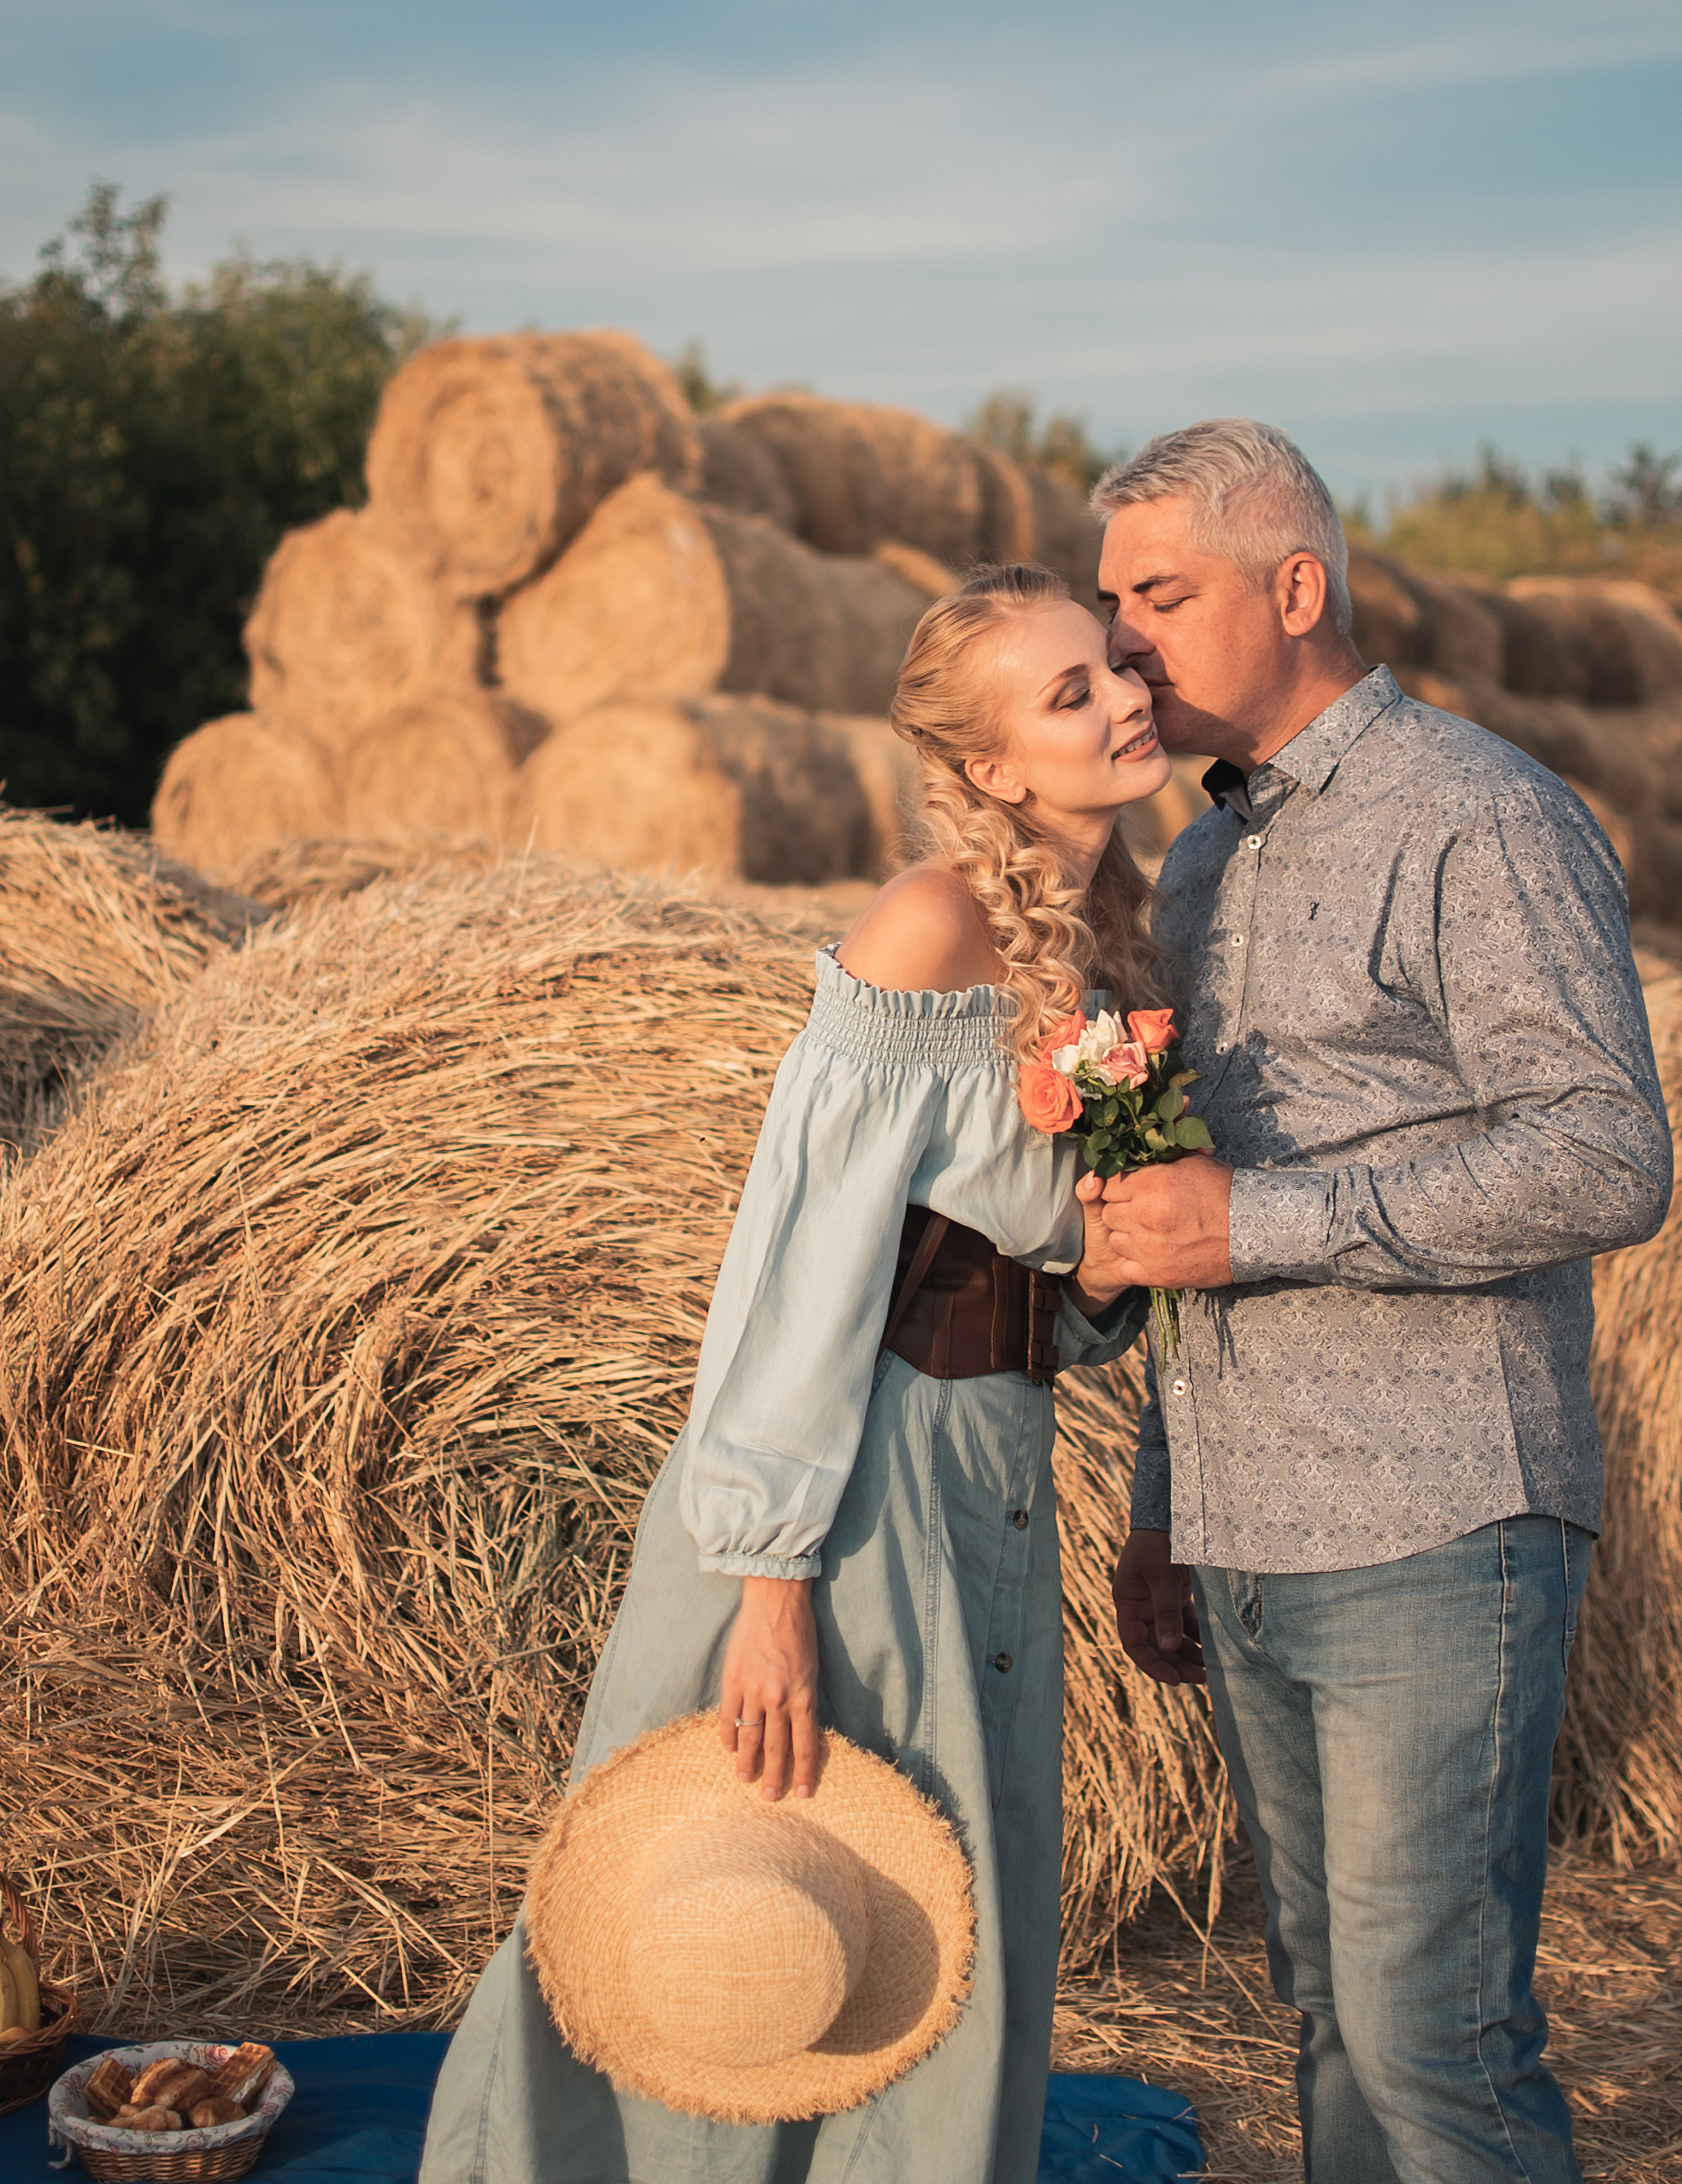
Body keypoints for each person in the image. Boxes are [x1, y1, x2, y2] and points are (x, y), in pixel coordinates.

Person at [420, 563, 1171, 2184]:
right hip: (852, 1486)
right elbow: (796, 1274)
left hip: (994, 1470)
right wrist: (766, 1577)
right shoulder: (925, 927)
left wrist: (1123, 1258)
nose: (1122, 697)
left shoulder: (1119, 933)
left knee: (945, 1911)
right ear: (990, 769)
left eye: (1115, 664)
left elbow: (1077, 1264)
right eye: (1069, 692)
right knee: (758, 1907)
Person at [1091, 419, 1673, 2184]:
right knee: (1332, 2019)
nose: (1123, 643)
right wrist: (1164, 1502)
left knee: (1438, 2047)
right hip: (1253, 1528)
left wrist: (1262, 1217)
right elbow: (1186, 1213)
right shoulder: (1200, 863)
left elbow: (1607, 1153)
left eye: (1160, 597)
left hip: (1437, 1516)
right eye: (1110, 604)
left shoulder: (1478, 812)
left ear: (1297, 585)